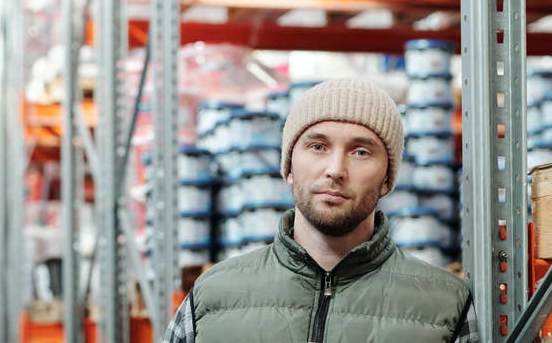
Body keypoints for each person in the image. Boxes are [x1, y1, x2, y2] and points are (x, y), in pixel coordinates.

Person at [163, 78, 478, 343]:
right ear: (289, 168)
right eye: (318, 146)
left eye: (361, 151)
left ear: (387, 179)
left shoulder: (445, 305)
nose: (335, 169)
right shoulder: (212, 298)